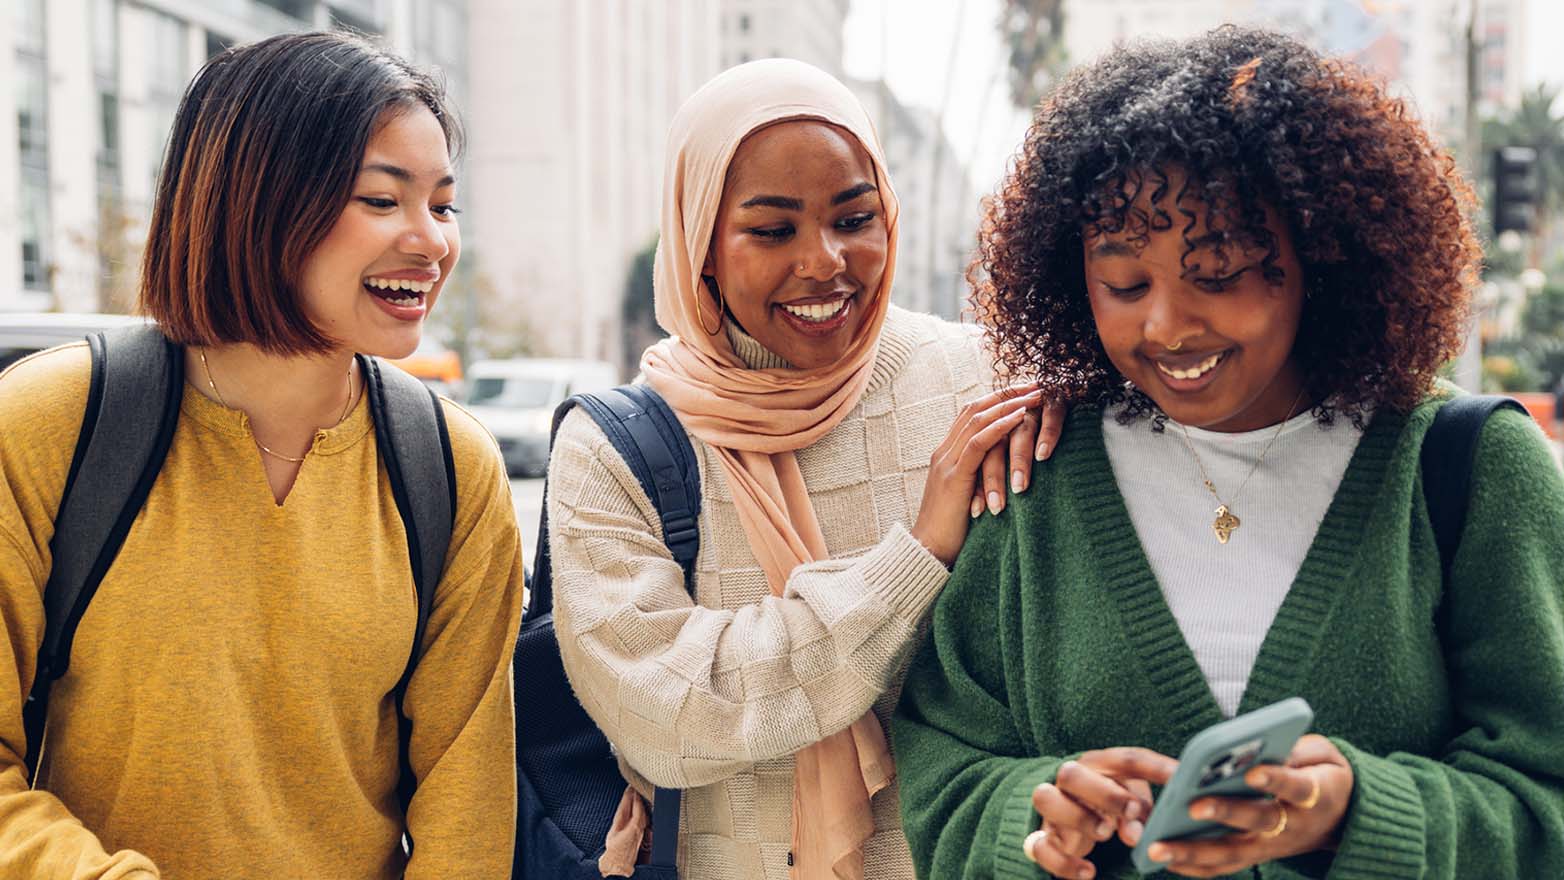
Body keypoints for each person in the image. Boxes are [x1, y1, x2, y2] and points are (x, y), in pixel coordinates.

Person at [893, 26, 1564, 880]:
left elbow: (1545, 797)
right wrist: (1035, 814)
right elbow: (943, 772)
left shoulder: (1469, 467)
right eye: (1124, 284)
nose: (1167, 326)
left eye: (1217, 274)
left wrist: (1357, 816)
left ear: (1321, 253)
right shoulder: (1037, 474)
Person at [0, 32, 524, 878]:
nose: (431, 241)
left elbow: (468, 802)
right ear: (257, 201)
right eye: (382, 199)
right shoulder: (49, 422)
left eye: (443, 204)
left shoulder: (453, 468)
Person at [546, 59, 1064, 879]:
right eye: (772, 231)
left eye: (854, 218)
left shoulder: (985, 384)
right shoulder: (616, 449)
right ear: (701, 243)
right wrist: (914, 560)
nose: (824, 262)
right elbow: (664, 716)